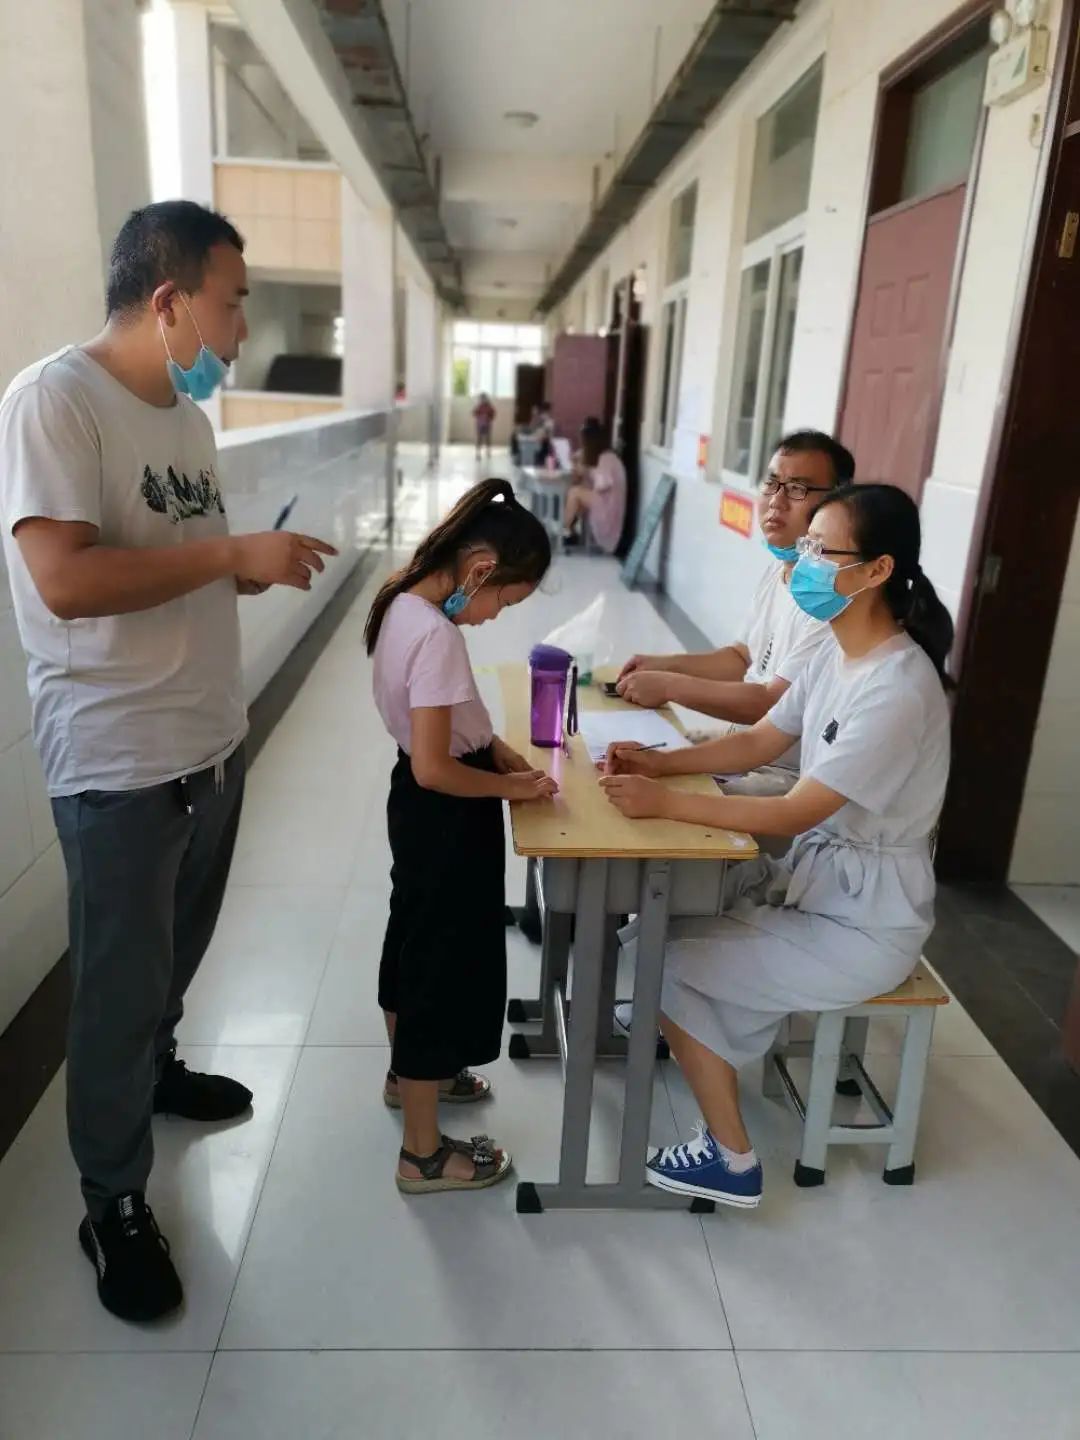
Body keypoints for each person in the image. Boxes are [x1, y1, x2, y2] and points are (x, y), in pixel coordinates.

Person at [0, 201, 337, 1323]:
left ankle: (157, 1071)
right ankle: (113, 1200)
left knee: (173, 953)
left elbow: (177, 554)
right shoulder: (55, 402)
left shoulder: (187, 423)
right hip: (118, 758)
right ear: (168, 301)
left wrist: (242, 566)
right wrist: (227, 550)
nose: (239, 333)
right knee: (117, 985)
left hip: (208, 738)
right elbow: (65, 582)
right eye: (232, 305)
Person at [600, 484, 953, 1210]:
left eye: (823, 548)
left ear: (877, 570)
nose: (804, 559)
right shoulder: (833, 649)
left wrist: (667, 802)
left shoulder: (898, 688)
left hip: (866, 923)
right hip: (823, 886)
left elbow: (796, 811)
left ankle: (731, 1161)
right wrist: (661, 765)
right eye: (806, 544)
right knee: (668, 924)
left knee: (662, 961)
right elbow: (761, 741)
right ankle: (703, 1035)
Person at [365, 478, 557, 1194]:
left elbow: (444, 715)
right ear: (480, 570)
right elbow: (437, 767)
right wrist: (513, 788)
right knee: (437, 970)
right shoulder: (437, 634)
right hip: (445, 808)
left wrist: (495, 748)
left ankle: (410, 1078)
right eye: (503, 600)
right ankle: (422, 1154)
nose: (493, 615)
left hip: (417, 806)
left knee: (411, 939)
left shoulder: (402, 601)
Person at [616, 431, 855, 798]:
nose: (776, 501)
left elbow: (770, 704)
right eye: (771, 484)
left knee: (646, 797)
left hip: (786, 776)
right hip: (744, 749)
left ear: (835, 504)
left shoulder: (826, 598)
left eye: (797, 489)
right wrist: (662, 665)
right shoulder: (779, 571)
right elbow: (741, 657)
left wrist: (668, 686)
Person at [562, 416, 626, 554]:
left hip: (608, 507)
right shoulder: (604, 456)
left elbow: (602, 485)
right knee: (577, 494)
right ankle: (569, 531)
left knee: (575, 493)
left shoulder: (606, 459)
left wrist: (586, 470)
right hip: (605, 502)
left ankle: (564, 530)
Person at [473, 392, 496, 459]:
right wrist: (480, 416)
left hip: (487, 424)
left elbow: (493, 414)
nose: (483, 400)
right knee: (479, 439)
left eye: (484, 398)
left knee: (488, 438)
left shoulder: (489, 406)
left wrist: (488, 418)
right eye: (482, 398)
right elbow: (474, 413)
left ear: (487, 399)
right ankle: (478, 453)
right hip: (480, 425)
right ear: (480, 399)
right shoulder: (479, 406)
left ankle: (488, 452)